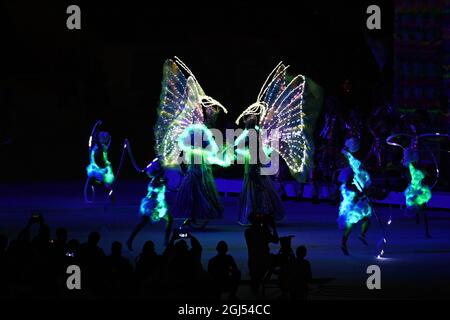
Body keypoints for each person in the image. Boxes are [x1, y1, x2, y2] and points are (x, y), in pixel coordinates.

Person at [127, 158, 173, 251]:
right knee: (142, 223)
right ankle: (130, 240)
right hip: (152, 204)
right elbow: (154, 189)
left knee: (170, 220)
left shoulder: (160, 177)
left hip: (159, 203)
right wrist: (162, 183)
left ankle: (166, 241)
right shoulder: (156, 179)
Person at [338, 137, 372, 256]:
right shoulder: (352, 170)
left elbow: (365, 184)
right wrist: (358, 193)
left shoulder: (361, 169)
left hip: (361, 198)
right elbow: (349, 185)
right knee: (350, 223)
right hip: (354, 200)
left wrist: (364, 192)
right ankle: (343, 243)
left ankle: (361, 235)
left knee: (367, 218)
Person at [244, 212, 279, 295]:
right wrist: (273, 228)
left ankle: (255, 286)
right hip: (264, 260)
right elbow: (276, 240)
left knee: (255, 278)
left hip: (252, 260)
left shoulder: (247, 232)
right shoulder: (263, 231)